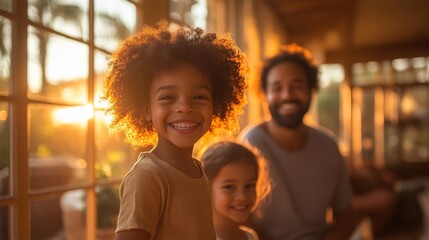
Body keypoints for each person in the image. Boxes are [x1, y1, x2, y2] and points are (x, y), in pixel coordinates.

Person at [102, 20, 248, 240]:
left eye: (199, 97)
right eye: (167, 97)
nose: (185, 108)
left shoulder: (198, 170)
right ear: (146, 110)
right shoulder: (147, 177)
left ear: (216, 104)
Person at [239, 44, 355, 240]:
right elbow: (240, 217)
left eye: (297, 86)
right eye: (277, 88)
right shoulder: (251, 143)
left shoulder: (328, 145)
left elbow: (346, 216)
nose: (287, 95)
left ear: (311, 91)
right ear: (264, 95)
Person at [201, 141, 271, 240]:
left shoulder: (249, 236)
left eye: (250, 185)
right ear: (207, 187)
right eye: (229, 187)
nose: (242, 196)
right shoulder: (201, 236)